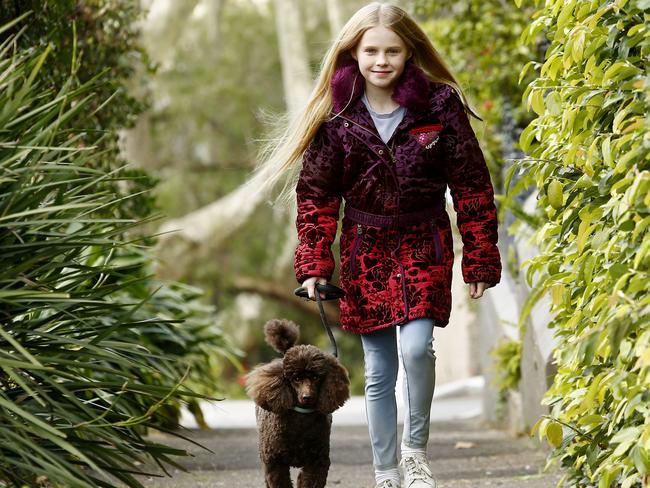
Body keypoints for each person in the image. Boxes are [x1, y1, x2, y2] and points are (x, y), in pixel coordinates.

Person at [247, 3, 501, 487]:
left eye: (393, 50)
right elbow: (317, 197)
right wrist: (314, 262)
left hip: (425, 242)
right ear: (353, 53)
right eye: (371, 51)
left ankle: (415, 454)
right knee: (380, 367)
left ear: (410, 53)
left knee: (417, 348)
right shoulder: (337, 115)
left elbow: (471, 183)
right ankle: (385, 471)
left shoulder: (440, 104)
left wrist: (480, 255)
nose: (382, 60)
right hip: (365, 250)